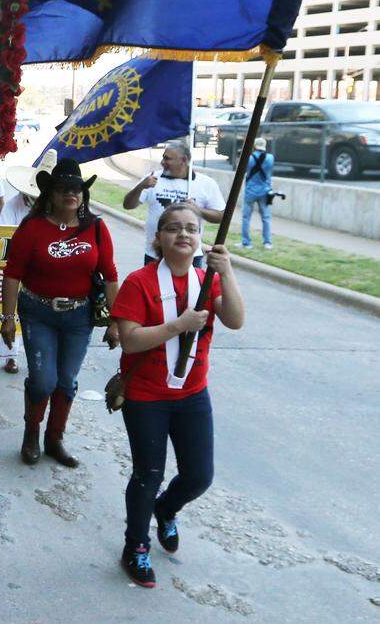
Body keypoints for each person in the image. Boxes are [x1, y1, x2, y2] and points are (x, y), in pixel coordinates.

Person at [111, 202, 245, 588]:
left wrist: (228, 271)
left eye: (191, 228)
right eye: (173, 228)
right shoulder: (140, 281)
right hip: (146, 395)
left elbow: (235, 319)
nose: (183, 234)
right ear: (159, 238)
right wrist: (178, 326)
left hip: (191, 393)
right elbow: (132, 340)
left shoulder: (208, 281)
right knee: (147, 473)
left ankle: (166, 510)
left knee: (199, 475)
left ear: (200, 238)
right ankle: (135, 546)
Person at [0, 158, 119, 468]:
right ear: (50, 194)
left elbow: (110, 274)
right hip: (38, 312)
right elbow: (12, 274)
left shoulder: (96, 228)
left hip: (79, 317)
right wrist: (8, 318)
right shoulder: (32, 227)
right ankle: (31, 434)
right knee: (43, 380)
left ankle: (55, 439)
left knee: (66, 380)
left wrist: (116, 321)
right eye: (65, 189)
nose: (72, 194)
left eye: (78, 189)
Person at [0, 151, 56, 374]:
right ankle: (10, 354)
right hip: (18, 265)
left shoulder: (56, 208)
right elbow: (6, 235)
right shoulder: (13, 206)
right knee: (11, 308)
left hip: (46, 268)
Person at [123, 142, 224, 268]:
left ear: (184, 160)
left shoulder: (205, 183)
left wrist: (197, 210)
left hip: (190, 257)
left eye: (167, 158)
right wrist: (141, 186)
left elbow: (221, 216)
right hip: (155, 255)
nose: (162, 162)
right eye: (163, 157)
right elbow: (128, 205)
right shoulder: (152, 178)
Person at [242, 137, 274, 249]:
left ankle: (246, 243)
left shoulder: (249, 158)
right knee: (266, 217)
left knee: (246, 217)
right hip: (264, 191)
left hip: (250, 191)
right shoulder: (270, 158)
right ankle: (267, 242)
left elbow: (245, 170)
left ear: (254, 146)